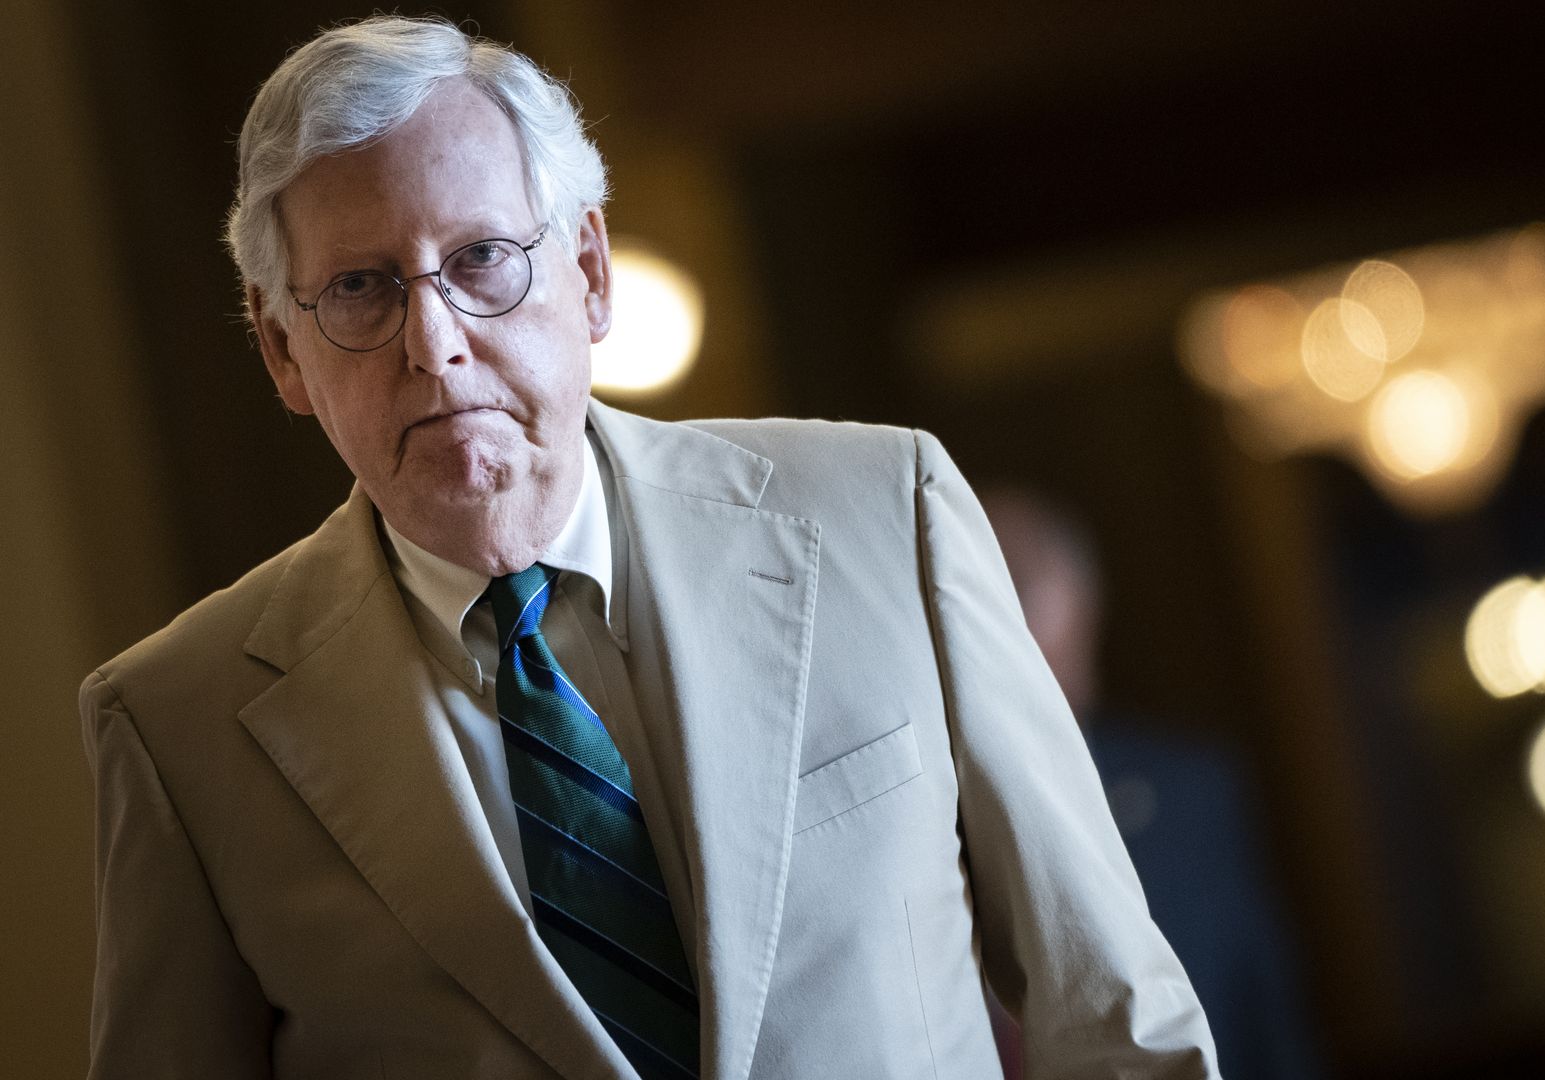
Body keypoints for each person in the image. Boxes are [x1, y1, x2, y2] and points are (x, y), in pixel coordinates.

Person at [79, 16, 1216, 1079]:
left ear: (589, 272)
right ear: (282, 350)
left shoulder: (885, 513)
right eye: (362, 288)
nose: (435, 344)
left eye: (480, 259)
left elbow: (1113, 1018)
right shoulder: (179, 727)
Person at [981, 487, 1323, 1080]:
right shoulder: (894, 823)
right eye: (966, 595)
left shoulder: (1191, 798)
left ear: (1085, 603)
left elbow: (1262, 1021)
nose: (989, 623)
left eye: (1015, 585)